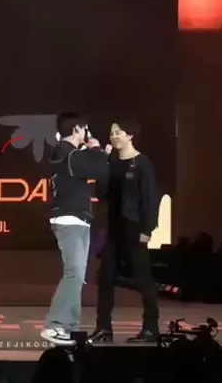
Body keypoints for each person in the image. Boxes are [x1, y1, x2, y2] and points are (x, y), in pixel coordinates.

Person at [89, 119, 160, 344]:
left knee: (143, 279)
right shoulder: (111, 161)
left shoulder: (142, 163)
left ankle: (151, 328)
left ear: (130, 135)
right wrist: (101, 163)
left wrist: (147, 228)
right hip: (113, 228)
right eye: (112, 133)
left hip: (134, 228)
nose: (113, 136)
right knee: (105, 277)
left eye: (118, 132)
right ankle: (103, 328)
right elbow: (101, 192)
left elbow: (150, 198)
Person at [41, 113, 109, 346]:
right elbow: (98, 169)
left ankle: (69, 327)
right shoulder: (66, 151)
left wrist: (95, 153)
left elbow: (96, 169)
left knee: (78, 276)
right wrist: (96, 150)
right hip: (68, 219)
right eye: (85, 129)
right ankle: (55, 325)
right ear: (77, 129)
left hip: (79, 219)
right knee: (74, 273)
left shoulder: (72, 153)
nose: (87, 133)